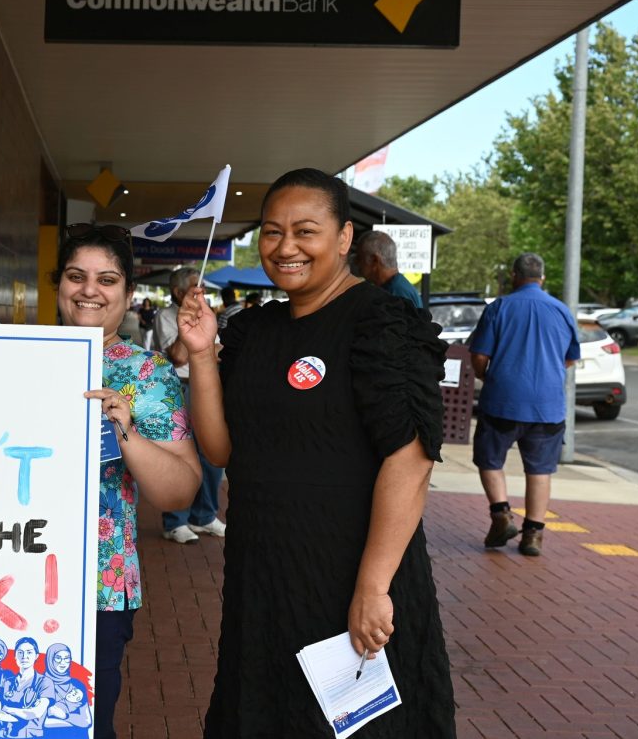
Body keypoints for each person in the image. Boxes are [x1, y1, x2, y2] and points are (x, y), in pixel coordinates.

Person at [178, 168, 456, 737]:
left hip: (350, 576)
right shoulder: (255, 331)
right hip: (264, 579)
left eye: (306, 231)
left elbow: (411, 458)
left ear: (345, 237)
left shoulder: (381, 323)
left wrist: (373, 586)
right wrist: (202, 355)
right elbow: (222, 448)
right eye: (273, 232)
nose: (286, 248)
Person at [0, 220, 199, 738]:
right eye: (77, 276)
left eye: (107, 280)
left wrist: (126, 431)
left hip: (94, 589)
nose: (90, 291)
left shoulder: (148, 374)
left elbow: (179, 491)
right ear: (59, 285)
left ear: (127, 290)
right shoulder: (17, 354)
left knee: (74, 728)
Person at [469, 252, 579, 557]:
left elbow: (479, 356)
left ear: (516, 276)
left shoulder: (500, 308)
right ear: (542, 278)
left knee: (489, 459)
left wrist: (485, 375)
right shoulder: (561, 311)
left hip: (502, 400)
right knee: (540, 470)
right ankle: (533, 535)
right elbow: (570, 357)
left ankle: (502, 515)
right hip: (548, 406)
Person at [152, 266, 228, 544]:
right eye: (196, 286)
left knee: (212, 453)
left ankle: (204, 516)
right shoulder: (165, 316)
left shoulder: (206, 314)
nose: (202, 292)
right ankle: (175, 522)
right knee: (180, 453)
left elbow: (218, 350)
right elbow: (179, 356)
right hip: (178, 388)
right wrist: (192, 331)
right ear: (178, 292)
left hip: (205, 385)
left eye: (202, 287)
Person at [0, 637, 49, 738]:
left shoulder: (44, 682)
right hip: (5, 735)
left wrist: (6, 709)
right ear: (15, 656)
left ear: (36, 656)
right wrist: (25, 714)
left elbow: (36, 712)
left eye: (29, 652)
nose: (24, 657)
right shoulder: (7, 682)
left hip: (31, 736)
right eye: (20, 652)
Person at [354, 229, 422, 308]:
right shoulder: (395, 288)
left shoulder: (396, 294)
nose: (356, 262)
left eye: (359, 258)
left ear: (375, 260)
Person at [38, 642, 92, 737]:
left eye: (66, 658)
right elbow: (41, 722)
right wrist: (76, 720)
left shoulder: (77, 684)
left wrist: (64, 716)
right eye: (58, 658)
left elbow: (87, 721)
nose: (63, 662)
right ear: (50, 659)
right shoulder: (40, 684)